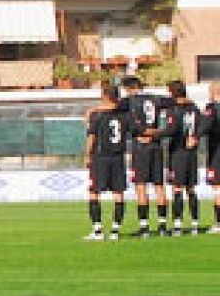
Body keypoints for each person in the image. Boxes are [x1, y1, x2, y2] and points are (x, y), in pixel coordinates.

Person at [84, 84, 139, 241]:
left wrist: (87, 155)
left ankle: (98, 230)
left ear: (104, 96)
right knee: (118, 194)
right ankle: (115, 230)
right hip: (118, 157)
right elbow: (136, 130)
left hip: (100, 157)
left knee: (94, 193)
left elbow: (92, 137)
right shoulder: (125, 115)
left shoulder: (97, 116)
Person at [119, 76, 172, 238]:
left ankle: (144, 227)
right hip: (156, 145)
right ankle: (163, 227)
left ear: (129, 88)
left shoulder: (129, 101)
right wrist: (158, 132)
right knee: (159, 186)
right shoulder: (157, 99)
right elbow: (176, 102)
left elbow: (113, 108)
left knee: (141, 186)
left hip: (140, 146)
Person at [158, 81, 201, 236]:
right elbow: (200, 126)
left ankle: (177, 225)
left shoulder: (174, 109)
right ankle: (195, 224)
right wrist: (196, 137)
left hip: (178, 152)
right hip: (192, 153)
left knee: (177, 189)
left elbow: (171, 129)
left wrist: (153, 134)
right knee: (191, 189)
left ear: (173, 92)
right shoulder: (194, 108)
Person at [202, 83, 220, 234]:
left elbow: (205, 125)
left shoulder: (212, 107)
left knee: (218, 188)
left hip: (217, 154)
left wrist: (195, 136)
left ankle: (219, 223)